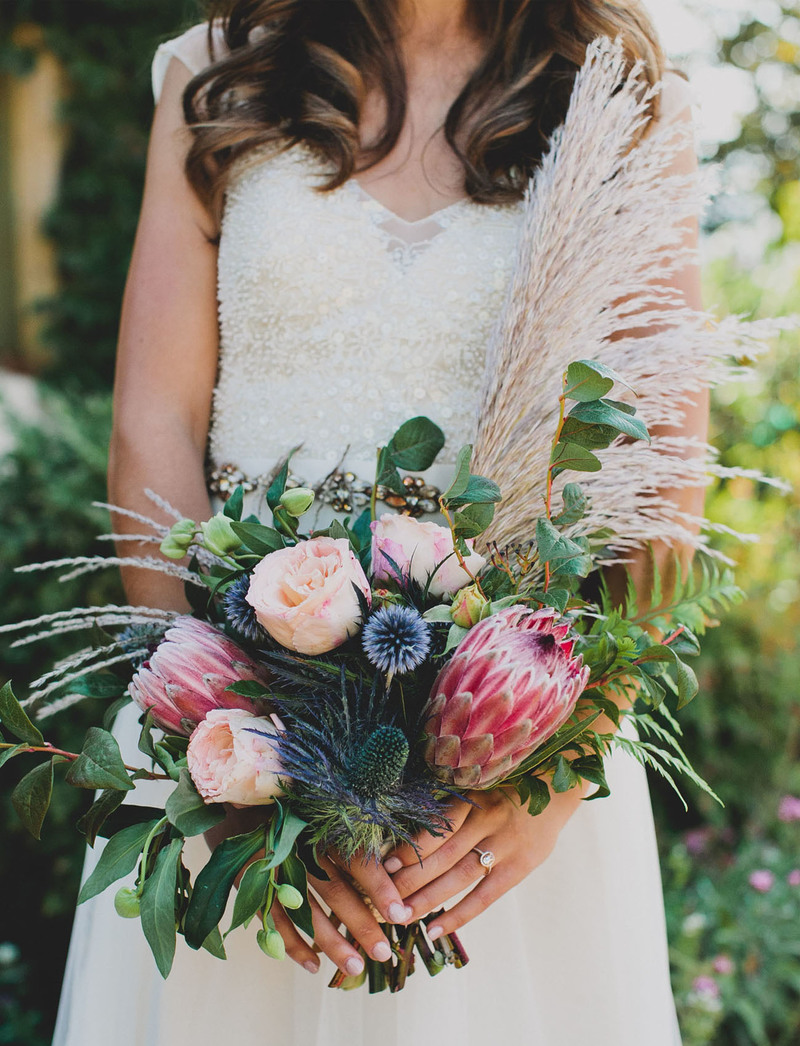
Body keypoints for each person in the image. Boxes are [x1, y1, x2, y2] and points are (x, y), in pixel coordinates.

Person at [54, 2, 707, 1043]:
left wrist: (551, 785)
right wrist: (227, 763)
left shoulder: (617, 93)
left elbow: (661, 479)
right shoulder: (217, 71)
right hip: (234, 730)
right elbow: (154, 421)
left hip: (508, 770)